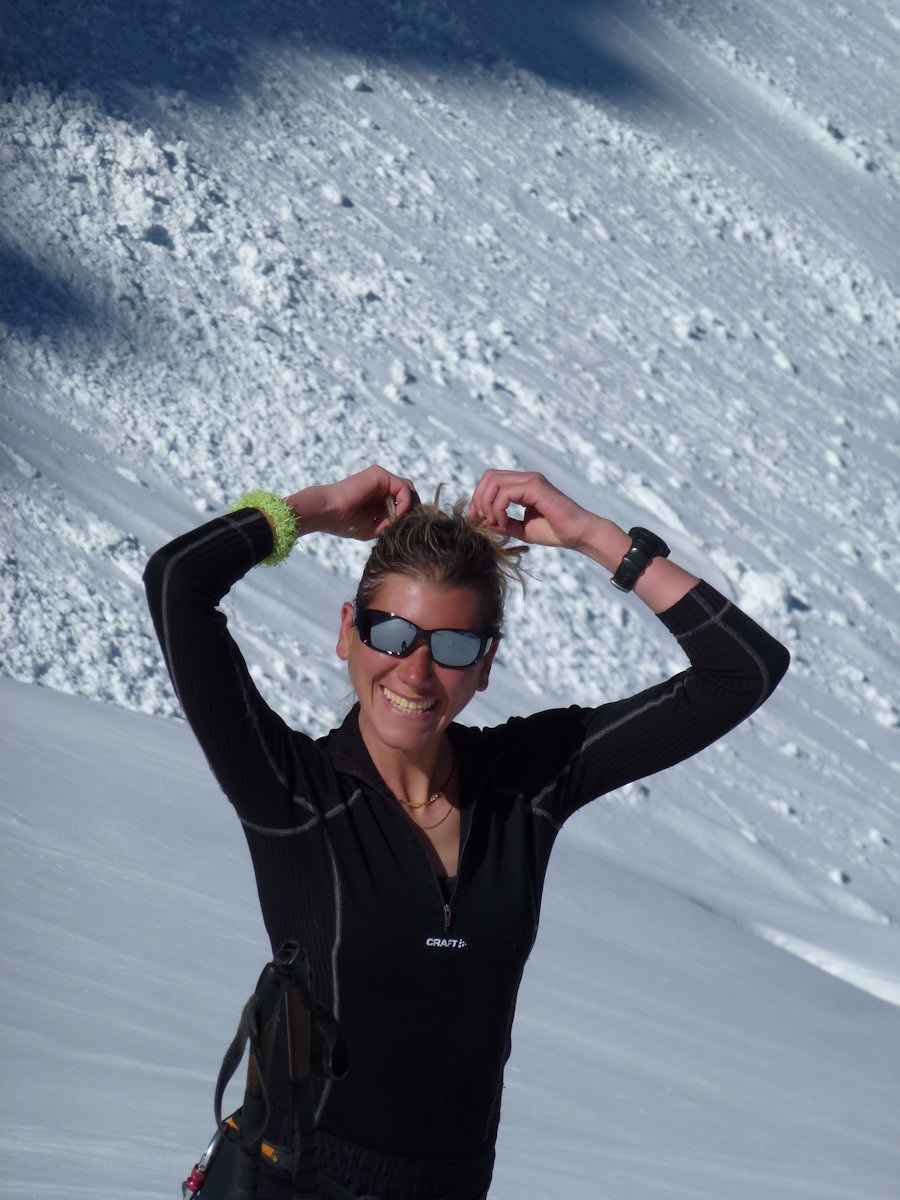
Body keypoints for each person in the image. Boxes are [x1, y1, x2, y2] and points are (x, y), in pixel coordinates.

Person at [144, 464, 789, 1200]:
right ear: (347, 636)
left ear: (485, 665)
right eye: (391, 633)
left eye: (453, 647)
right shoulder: (294, 794)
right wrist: (314, 510)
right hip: (289, 1181)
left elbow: (744, 671)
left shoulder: (526, 783)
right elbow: (177, 581)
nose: (416, 671)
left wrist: (596, 537)